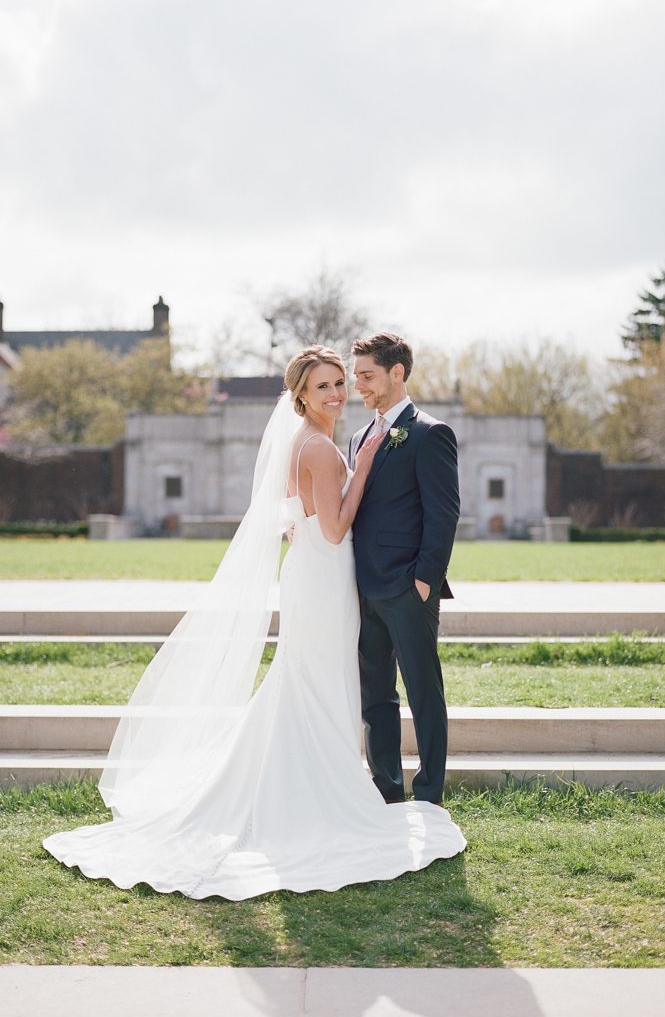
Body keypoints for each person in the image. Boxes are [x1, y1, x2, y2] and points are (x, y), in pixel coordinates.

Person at [43, 345, 465, 900]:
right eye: (327, 386)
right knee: (325, 685)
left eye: (345, 381)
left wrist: (418, 574)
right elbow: (336, 527)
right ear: (300, 396)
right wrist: (358, 471)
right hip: (328, 578)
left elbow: (417, 510)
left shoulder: (365, 435)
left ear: (394, 374)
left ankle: (392, 787)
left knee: (330, 683)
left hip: (348, 580)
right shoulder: (330, 444)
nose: (341, 392)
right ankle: (335, 787)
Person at [350, 333, 459, 806]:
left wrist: (424, 580)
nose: (359, 386)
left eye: (367, 376)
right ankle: (386, 790)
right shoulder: (357, 436)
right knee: (376, 694)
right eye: (356, 377)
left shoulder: (430, 433)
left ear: (397, 373)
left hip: (408, 587)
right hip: (361, 588)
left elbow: (444, 513)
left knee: (422, 691)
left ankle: (429, 792)